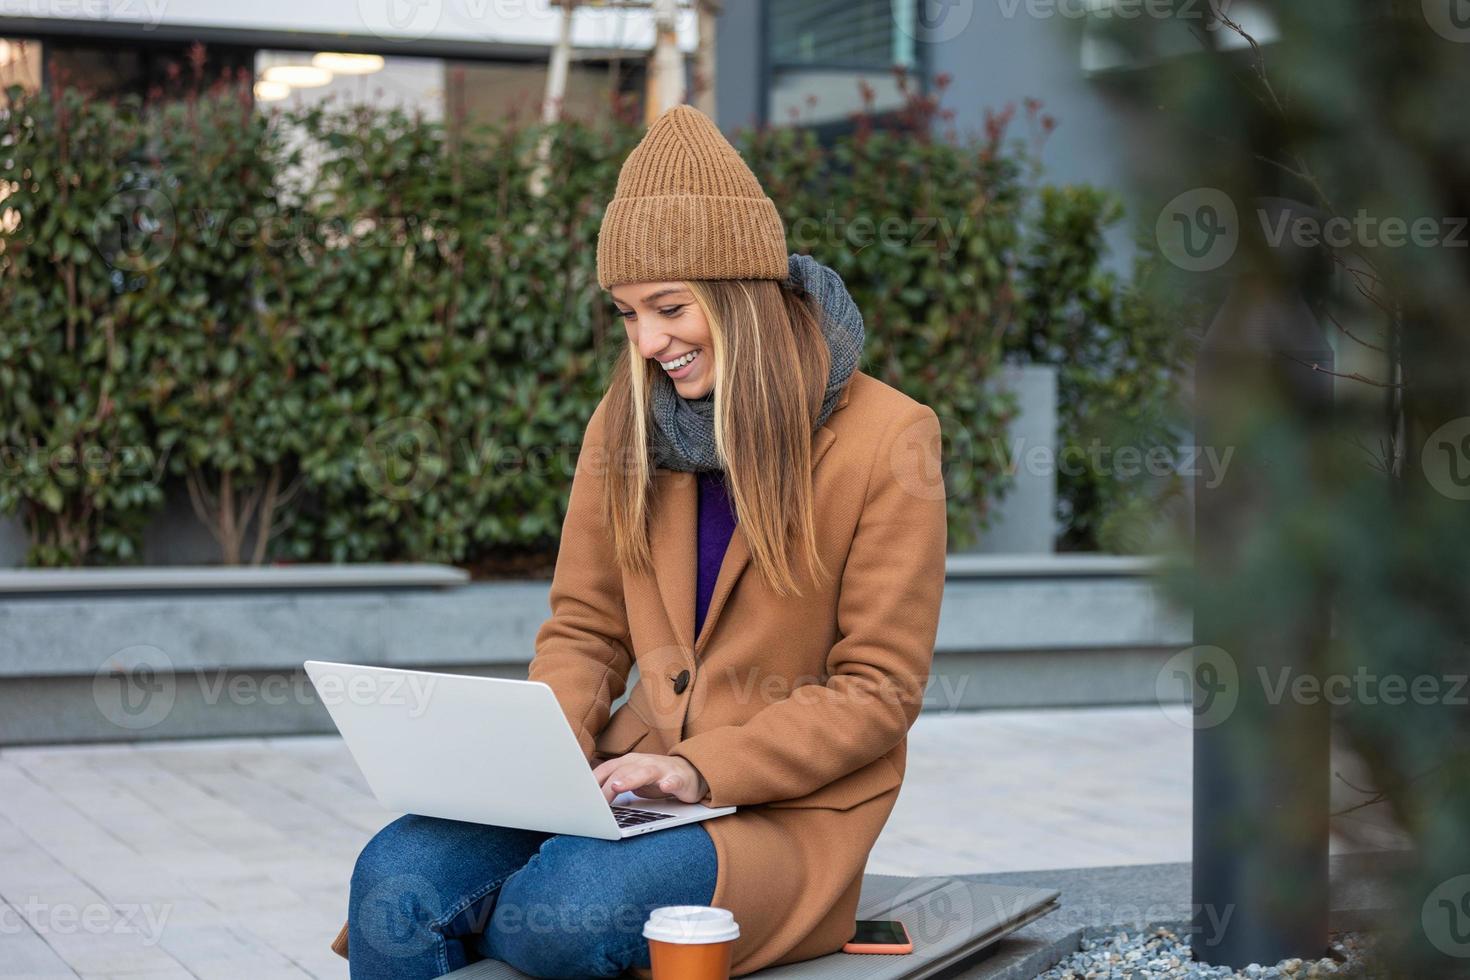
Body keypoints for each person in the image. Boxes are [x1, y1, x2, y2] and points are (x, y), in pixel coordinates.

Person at [332, 103, 947, 980]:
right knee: (394, 879)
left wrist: (700, 768)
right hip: (624, 787)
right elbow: (585, 630)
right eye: (626, 313)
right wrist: (542, 756)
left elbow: (878, 689)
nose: (648, 342)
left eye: (669, 307)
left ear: (742, 295)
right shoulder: (625, 423)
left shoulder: (891, 438)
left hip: (783, 813)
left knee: (561, 916)